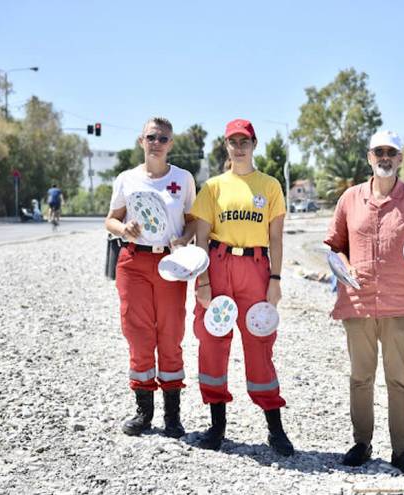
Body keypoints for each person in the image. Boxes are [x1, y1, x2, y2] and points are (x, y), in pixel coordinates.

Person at [324, 130, 404, 477]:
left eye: (392, 152)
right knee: (360, 377)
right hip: (356, 303)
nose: (385, 157)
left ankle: (401, 451)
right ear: (369, 157)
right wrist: (342, 266)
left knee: (399, 380)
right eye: (379, 152)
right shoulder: (349, 198)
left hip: (401, 305)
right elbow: (334, 245)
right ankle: (362, 443)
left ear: (401, 158)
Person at [191, 119, 293, 456]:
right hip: (218, 266)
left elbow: (276, 237)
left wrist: (275, 279)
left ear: (254, 143)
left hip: (256, 269)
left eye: (244, 140)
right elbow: (201, 237)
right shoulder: (214, 187)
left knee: (260, 342)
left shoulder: (270, 185)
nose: (239, 146)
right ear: (226, 146)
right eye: (233, 141)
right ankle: (217, 426)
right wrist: (203, 281)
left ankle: (275, 429)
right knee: (212, 342)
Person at [105, 117, 196, 438]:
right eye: (151, 137)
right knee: (138, 333)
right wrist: (123, 228)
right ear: (141, 141)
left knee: (170, 334)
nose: (156, 142)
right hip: (134, 262)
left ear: (171, 144)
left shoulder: (183, 179)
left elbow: (192, 222)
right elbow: (111, 220)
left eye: (163, 138)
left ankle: (173, 416)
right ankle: (144, 411)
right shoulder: (127, 179)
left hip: (170, 265)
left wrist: (183, 241)